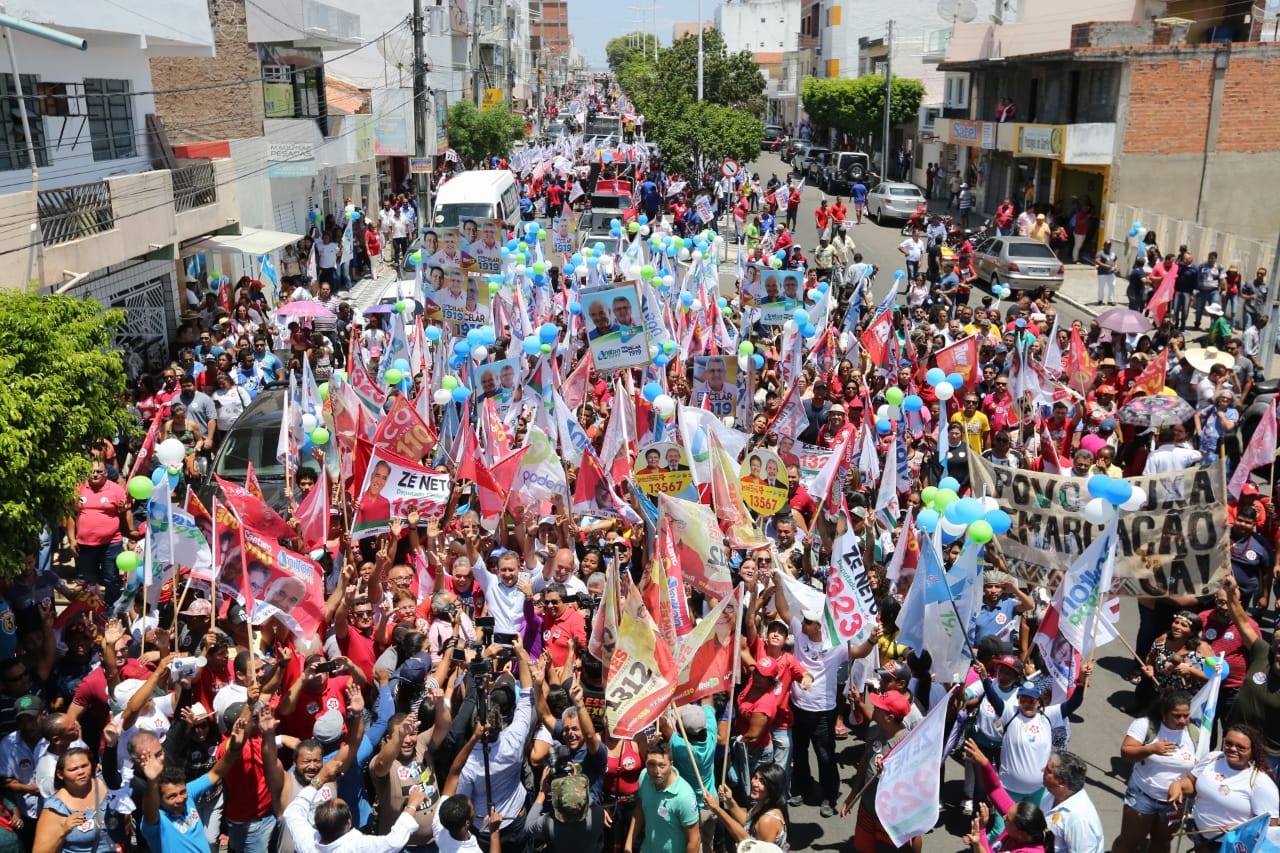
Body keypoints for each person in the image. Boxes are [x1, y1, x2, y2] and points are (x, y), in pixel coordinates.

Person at [1166, 724, 1278, 852]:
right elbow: (1191, 782)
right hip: (1200, 835)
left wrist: (1242, 828)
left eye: (1241, 747)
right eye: (1229, 743)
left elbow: (1271, 825)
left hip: (1231, 845)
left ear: (1252, 751)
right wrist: (1178, 786)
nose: (1233, 749)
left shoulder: (1261, 783)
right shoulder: (1212, 758)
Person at [1113, 691, 1200, 853]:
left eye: (1186, 715)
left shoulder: (1194, 733)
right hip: (1142, 796)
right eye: (1177, 716)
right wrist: (1150, 749)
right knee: (1129, 841)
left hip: (1173, 805)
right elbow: (1125, 752)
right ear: (1163, 713)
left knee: (1162, 843)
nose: (1182, 721)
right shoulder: (1145, 725)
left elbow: (1199, 767)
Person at [625, 738, 700, 853]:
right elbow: (640, 808)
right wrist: (629, 844)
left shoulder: (684, 796)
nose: (656, 771)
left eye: (662, 765)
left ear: (671, 764)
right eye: (651, 764)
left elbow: (694, 840)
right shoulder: (644, 777)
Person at [702, 764, 787, 848]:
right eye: (755, 777)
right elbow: (748, 822)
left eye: (762, 781)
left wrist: (717, 809)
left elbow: (748, 842)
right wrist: (729, 801)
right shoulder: (763, 803)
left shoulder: (768, 820)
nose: (754, 783)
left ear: (772, 788)